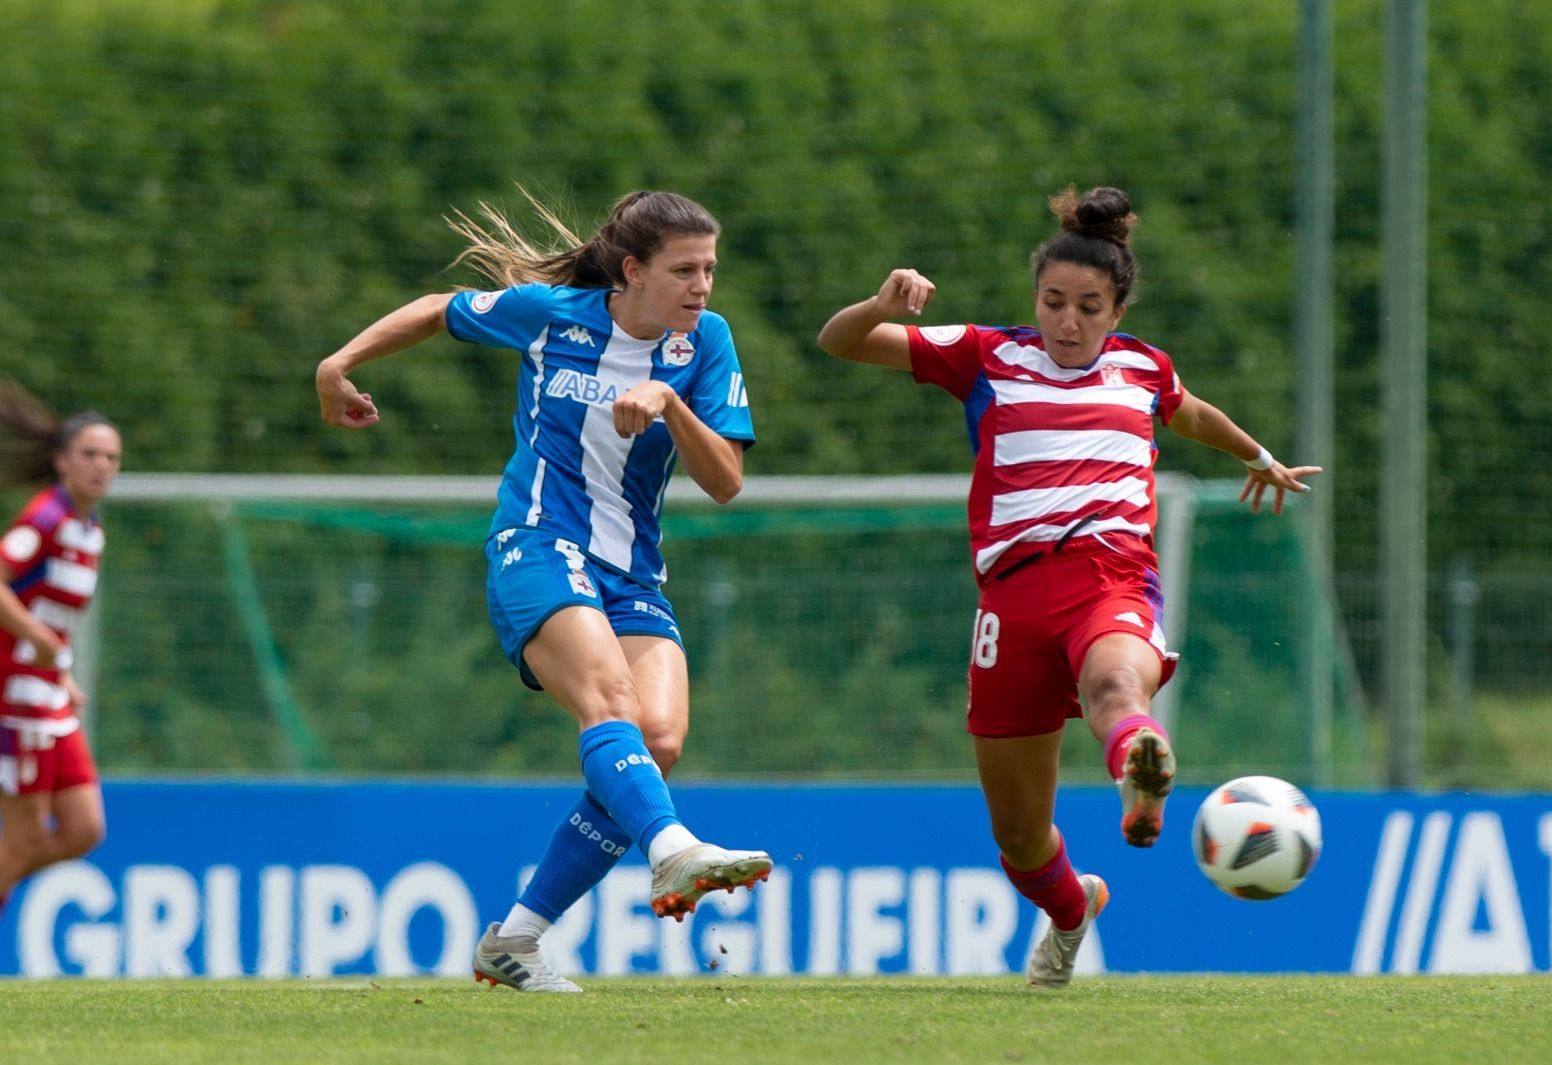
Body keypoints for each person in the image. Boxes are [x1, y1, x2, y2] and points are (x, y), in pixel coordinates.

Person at [817, 185, 1320, 989]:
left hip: (1108, 574)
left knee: (1117, 685)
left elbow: (1187, 413)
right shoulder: (985, 354)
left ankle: (1139, 762)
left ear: (1116, 311)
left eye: (1088, 306)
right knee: (1019, 836)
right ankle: (1071, 907)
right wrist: (880, 302)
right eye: (1053, 302)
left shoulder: (1144, 368)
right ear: (1035, 300)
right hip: (1010, 604)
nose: (1068, 321)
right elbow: (841, 341)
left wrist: (1256, 456)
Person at [316, 188, 773, 993]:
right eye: (684, 270)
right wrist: (338, 364)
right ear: (632, 271)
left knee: (657, 743)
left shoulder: (707, 343)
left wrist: (670, 404)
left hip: (631, 570)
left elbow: (727, 479)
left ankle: (517, 939)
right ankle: (670, 852)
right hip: (537, 543)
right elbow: (434, 309)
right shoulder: (552, 314)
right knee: (611, 703)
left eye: (710, 269)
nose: (702, 286)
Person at [0, 380, 121, 918]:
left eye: (111, 457)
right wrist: (38, 642)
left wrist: (63, 669)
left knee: (83, 828)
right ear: (62, 462)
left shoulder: (89, 529)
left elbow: (51, 617)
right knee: (23, 839)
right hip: (15, 693)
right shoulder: (46, 517)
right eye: (90, 454)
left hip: (47, 692)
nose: (102, 465)